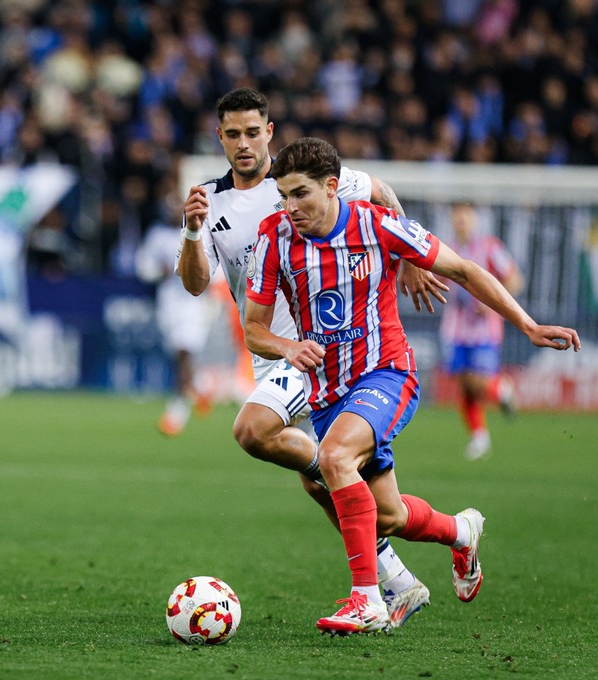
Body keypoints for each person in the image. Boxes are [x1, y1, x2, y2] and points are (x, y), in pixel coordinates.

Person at [244, 137, 580, 635]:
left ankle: (368, 600)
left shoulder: (377, 225)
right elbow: (254, 327)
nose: (290, 207)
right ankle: (461, 531)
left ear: (332, 187)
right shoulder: (273, 237)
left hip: (387, 374)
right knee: (387, 517)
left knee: (333, 459)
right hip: (327, 390)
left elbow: (464, 270)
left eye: (301, 195)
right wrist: (286, 347)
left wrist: (527, 326)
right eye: (284, 196)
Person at [176, 88, 448, 629]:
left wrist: (411, 262)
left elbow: (383, 191)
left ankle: (375, 589)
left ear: (269, 132)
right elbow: (194, 284)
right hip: (268, 351)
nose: (244, 143)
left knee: (252, 431)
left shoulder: (301, 179)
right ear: (220, 138)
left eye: (253, 132)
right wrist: (190, 231)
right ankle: (430, 554)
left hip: (316, 350)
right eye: (233, 134)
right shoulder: (210, 199)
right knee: (332, 484)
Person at [439, 202, 524, 460]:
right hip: (455, 328)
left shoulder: (489, 247)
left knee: (479, 380)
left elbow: (514, 278)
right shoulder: (448, 249)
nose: (461, 221)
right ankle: (479, 436)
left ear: (475, 219)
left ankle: (502, 390)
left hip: (484, 330)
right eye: (457, 216)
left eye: (466, 216)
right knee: (464, 383)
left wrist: (492, 304)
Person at [135, 204, 217, 436]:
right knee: (178, 356)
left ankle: (176, 413)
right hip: (168, 304)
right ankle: (202, 385)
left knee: (184, 354)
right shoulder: (157, 235)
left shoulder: (202, 234)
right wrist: (160, 270)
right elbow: (143, 267)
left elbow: (215, 272)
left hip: (194, 303)